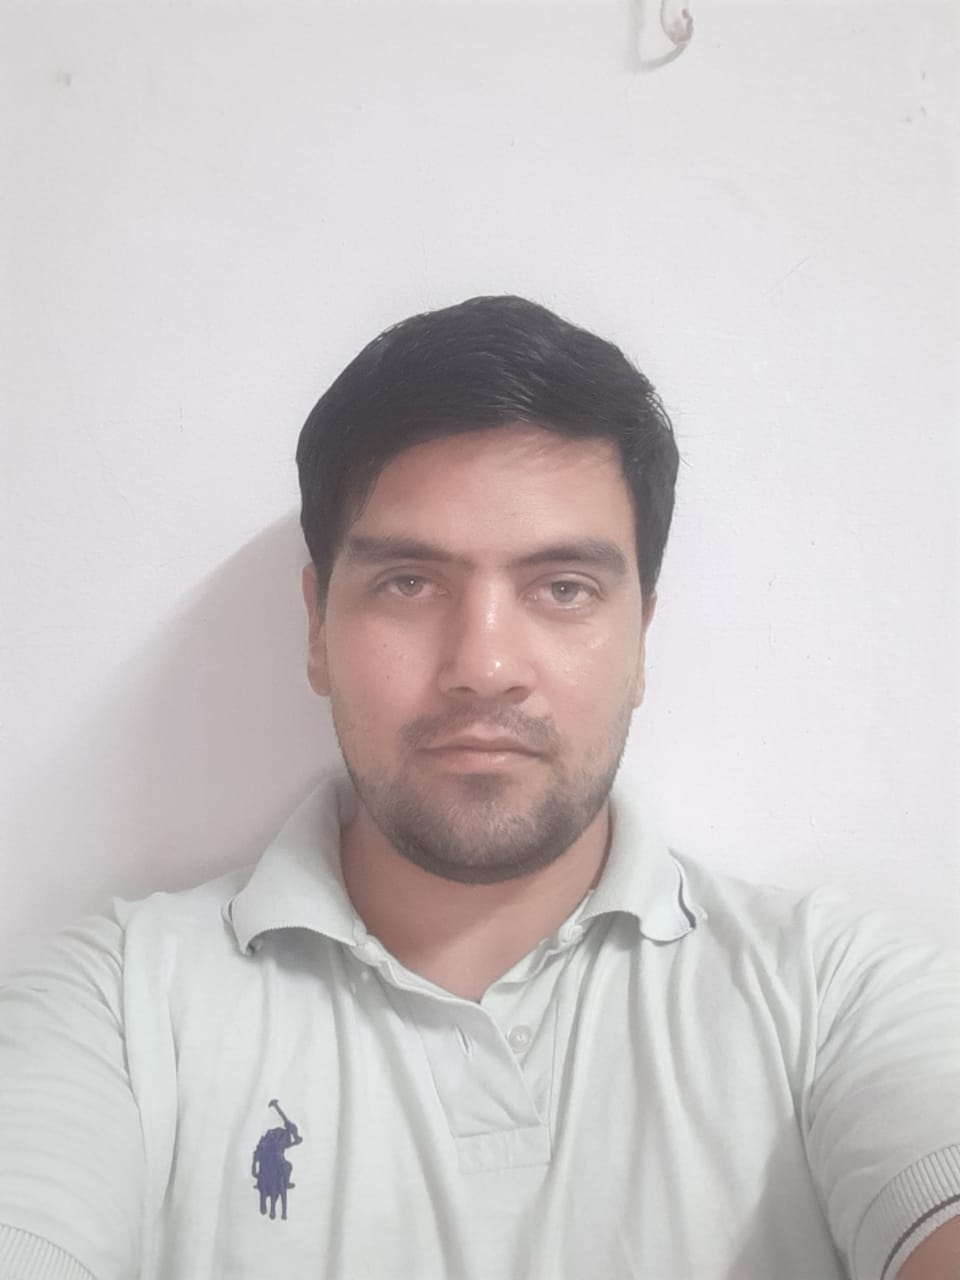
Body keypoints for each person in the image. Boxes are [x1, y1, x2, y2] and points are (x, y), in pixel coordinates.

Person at [0, 296, 957, 1280]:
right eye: (409, 582)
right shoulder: (115, 1012)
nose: (485, 666)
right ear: (318, 629)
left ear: (640, 639)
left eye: (564, 588)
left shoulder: (835, 994)